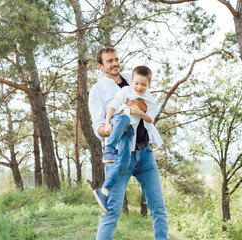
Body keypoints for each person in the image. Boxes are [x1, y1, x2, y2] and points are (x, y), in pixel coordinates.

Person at [88, 46, 170, 240]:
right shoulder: (97, 90)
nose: (115, 63)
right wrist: (108, 129)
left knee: (158, 208)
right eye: (109, 61)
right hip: (119, 155)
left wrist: (138, 107)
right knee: (111, 211)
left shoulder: (132, 79)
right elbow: (98, 126)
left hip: (145, 153)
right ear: (101, 66)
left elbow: (148, 105)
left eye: (116, 59)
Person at [93, 66, 163, 214]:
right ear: (131, 81)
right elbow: (112, 107)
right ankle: (109, 150)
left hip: (129, 132)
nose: (139, 87)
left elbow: (150, 118)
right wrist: (107, 123)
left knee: (124, 162)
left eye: (143, 84)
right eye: (136, 83)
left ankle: (104, 190)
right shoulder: (125, 91)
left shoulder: (149, 100)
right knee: (124, 117)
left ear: (148, 85)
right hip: (118, 120)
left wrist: (138, 112)